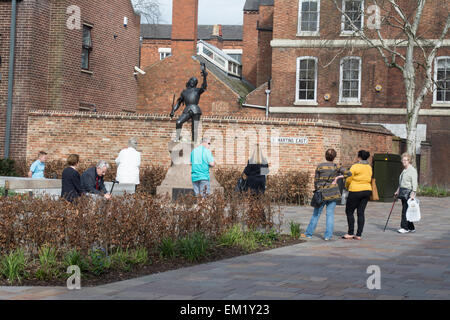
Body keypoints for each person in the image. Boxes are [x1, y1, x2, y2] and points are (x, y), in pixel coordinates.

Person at [301, 149, 352, 241]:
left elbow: (316, 181)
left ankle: (308, 233)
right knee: (330, 215)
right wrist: (337, 177)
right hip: (333, 194)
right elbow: (349, 173)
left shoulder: (320, 166)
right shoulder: (336, 166)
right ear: (334, 157)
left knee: (316, 214)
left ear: (325, 156)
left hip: (322, 193)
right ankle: (328, 236)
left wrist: (317, 189)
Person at [342, 150, 373, 240]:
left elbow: (349, 178)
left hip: (355, 190)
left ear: (359, 157)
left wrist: (347, 186)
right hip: (367, 190)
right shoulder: (369, 167)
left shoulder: (355, 166)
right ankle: (359, 234)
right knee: (361, 212)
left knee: (349, 211)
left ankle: (350, 233)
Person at [394, 153, 418, 234]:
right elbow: (401, 182)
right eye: (402, 160)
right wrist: (397, 190)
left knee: (405, 210)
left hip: (409, 193)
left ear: (409, 161)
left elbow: (415, 183)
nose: (403, 161)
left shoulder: (412, 171)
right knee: (408, 210)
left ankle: (404, 227)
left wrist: (413, 193)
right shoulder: (404, 170)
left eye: (405, 160)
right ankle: (411, 227)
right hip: (403, 191)